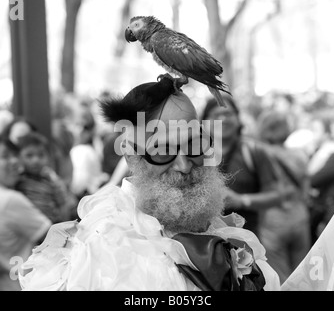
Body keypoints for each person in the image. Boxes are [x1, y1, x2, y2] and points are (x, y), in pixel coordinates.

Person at [19, 77, 280, 291]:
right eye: (163, 151)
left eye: (194, 145)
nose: (184, 165)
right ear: (132, 157)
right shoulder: (104, 247)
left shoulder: (223, 231)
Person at [201, 98, 293, 238]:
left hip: (246, 243)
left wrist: (242, 200)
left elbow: (277, 195)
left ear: (238, 118)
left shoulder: (254, 151)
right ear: (205, 121)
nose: (223, 119)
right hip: (203, 242)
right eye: (216, 114)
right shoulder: (194, 154)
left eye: (228, 114)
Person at [256, 110, 311, 284]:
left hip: (273, 222)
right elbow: (306, 190)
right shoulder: (299, 155)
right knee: (303, 275)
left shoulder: (261, 155)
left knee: (280, 278)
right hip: (299, 217)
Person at [0, 137, 51, 291]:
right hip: (23, 283)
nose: (15, 161)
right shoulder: (10, 200)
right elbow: (53, 235)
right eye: (5, 156)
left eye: (15, 155)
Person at [15, 132, 71, 224]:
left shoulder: (50, 177)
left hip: (51, 224)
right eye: (29, 155)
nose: (36, 160)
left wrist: (63, 225)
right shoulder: (18, 178)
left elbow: (62, 203)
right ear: (19, 157)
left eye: (41, 155)